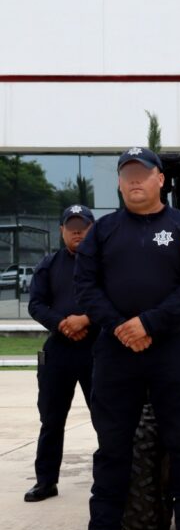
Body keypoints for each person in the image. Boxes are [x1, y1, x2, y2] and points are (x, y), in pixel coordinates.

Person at [67, 147, 180, 530]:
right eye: (127, 174)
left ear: (160, 179)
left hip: (172, 350)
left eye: (143, 173)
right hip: (116, 352)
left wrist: (148, 323)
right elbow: (85, 286)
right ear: (119, 182)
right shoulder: (104, 230)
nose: (135, 180)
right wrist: (120, 326)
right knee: (113, 447)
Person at [24, 205, 96, 502]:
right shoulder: (49, 264)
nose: (77, 231)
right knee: (52, 419)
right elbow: (36, 304)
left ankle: (113, 480)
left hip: (98, 350)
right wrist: (62, 324)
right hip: (60, 352)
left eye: (83, 226)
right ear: (62, 231)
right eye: (72, 226)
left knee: (107, 420)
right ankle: (46, 481)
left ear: (94, 229)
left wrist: (87, 320)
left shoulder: (106, 264)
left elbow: (120, 298)